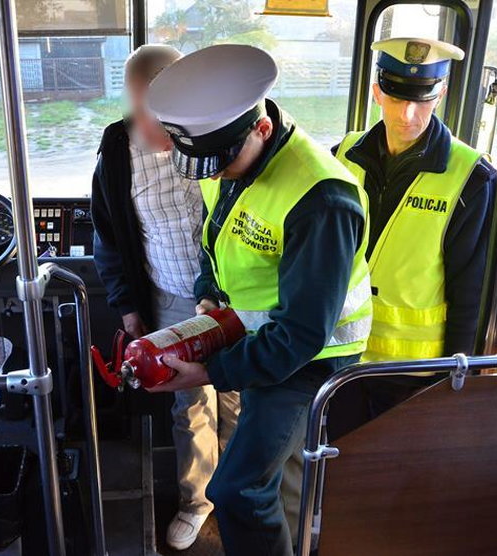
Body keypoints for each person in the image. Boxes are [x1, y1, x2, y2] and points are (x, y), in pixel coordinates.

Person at [145, 44, 373, 556]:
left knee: (237, 490)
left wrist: (210, 373)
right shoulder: (224, 159)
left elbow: (302, 334)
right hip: (259, 336)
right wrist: (209, 294)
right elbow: (215, 237)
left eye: (220, 165)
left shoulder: (322, 198)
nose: (211, 176)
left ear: (262, 127)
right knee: (274, 479)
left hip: (312, 357)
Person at [90, 44, 240, 551]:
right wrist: (130, 307)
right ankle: (197, 501)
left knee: (240, 397)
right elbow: (108, 237)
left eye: (155, 111)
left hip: (234, 294)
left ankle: (239, 494)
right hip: (169, 295)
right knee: (189, 405)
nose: (146, 123)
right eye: (137, 110)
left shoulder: (220, 133)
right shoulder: (116, 153)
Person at [334, 37, 497, 411]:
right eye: (396, 98)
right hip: (342, 357)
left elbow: (470, 294)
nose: (408, 115)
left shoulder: (471, 178)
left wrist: (454, 381)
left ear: (439, 96)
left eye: (421, 100)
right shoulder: (343, 155)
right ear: (377, 92)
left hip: (415, 375)